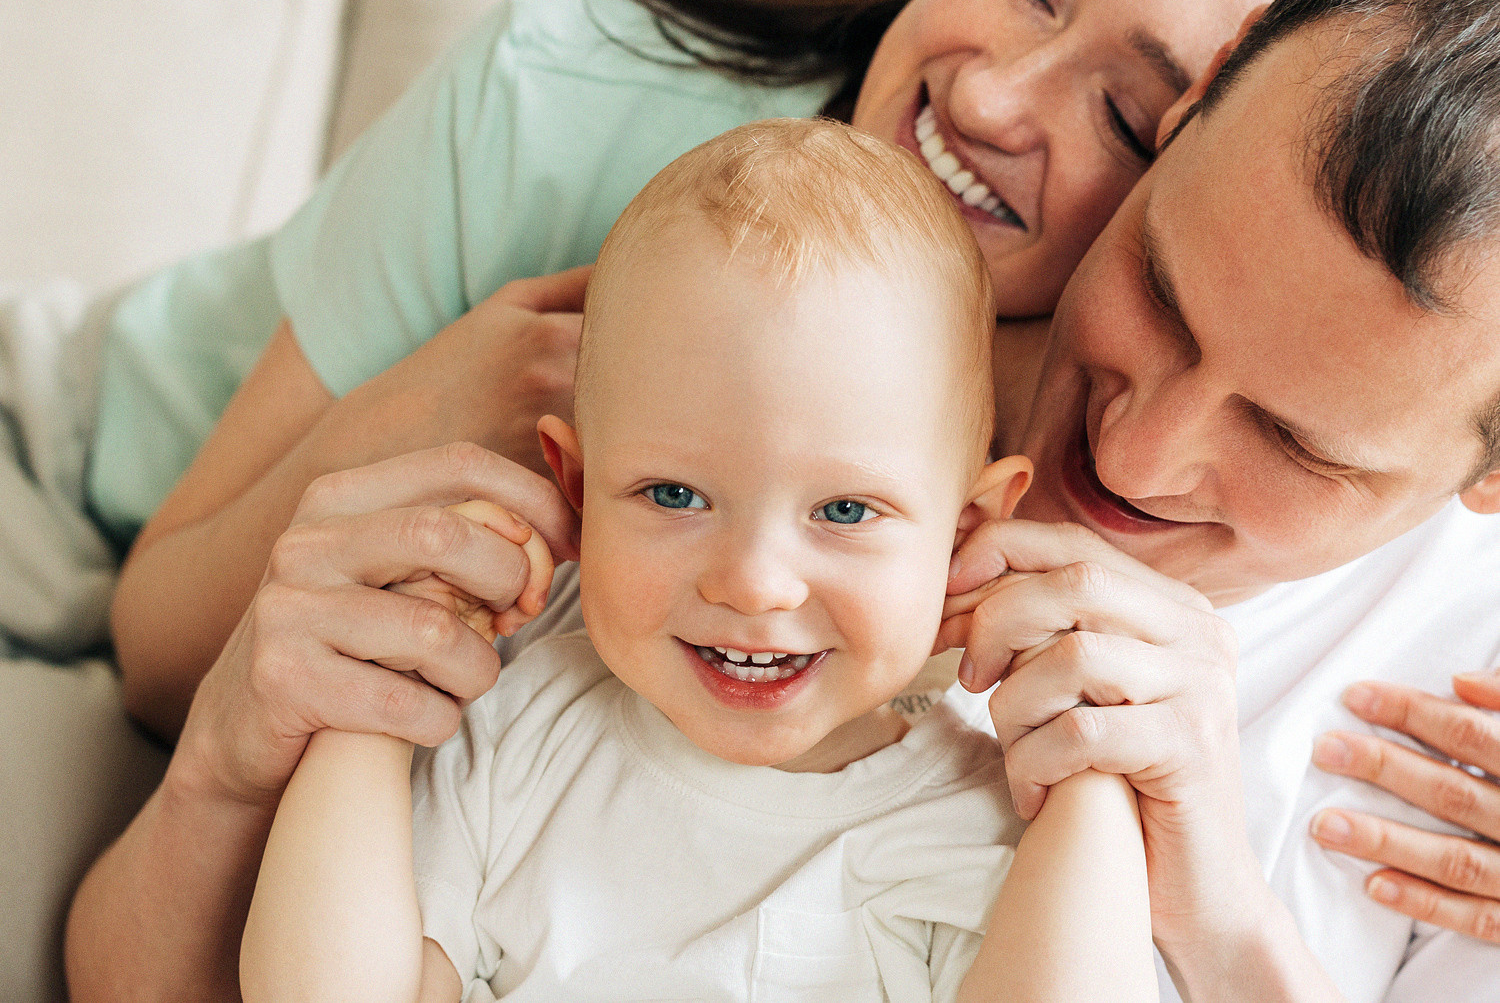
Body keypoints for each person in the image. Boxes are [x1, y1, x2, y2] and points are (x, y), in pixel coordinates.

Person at [60, 0, 1500, 1001]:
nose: (1137, 451)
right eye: (1163, 290)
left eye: (1300, 443)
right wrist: (404, 437)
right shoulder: (617, 171)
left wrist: (1214, 910)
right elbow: (174, 691)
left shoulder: (1438, 732)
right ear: (1205, 107)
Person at [237, 118, 1157, 1003]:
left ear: (962, 535)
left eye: (844, 511)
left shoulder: (977, 821)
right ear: (578, 489)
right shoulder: (520, 734)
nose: (753, 583)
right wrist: (381, 696)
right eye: (675, 496)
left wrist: (1087, 772)